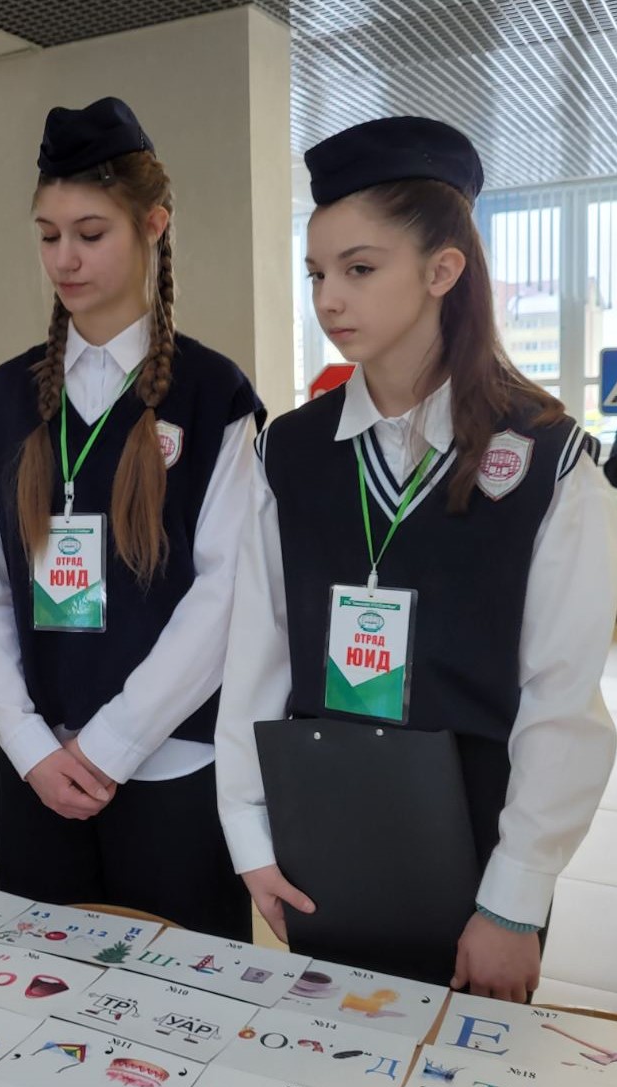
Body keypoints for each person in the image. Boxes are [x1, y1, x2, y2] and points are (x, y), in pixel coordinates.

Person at [216, 116, 617, 999]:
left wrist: (514, 901)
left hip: (480, 840)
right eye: (316, 273)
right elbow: (257, 651)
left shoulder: (547, 460)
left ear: (442, 271)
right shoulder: (289, 451)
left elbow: (561, 701)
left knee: (459, 1060)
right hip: (323, 818)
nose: (328, 298)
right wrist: (248, 833)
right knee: (326, 1046)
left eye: (359, 269)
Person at [0, 97, 263, 937]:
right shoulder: (5, 396)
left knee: (188, 996)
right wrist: (25, 741)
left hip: (170, 763)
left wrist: (112, 744)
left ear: (152, 225)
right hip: (37, 769)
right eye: (48, 234)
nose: (64, 258)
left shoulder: (212, 395)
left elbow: (225, 591)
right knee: (40, 989)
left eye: (90, 233)